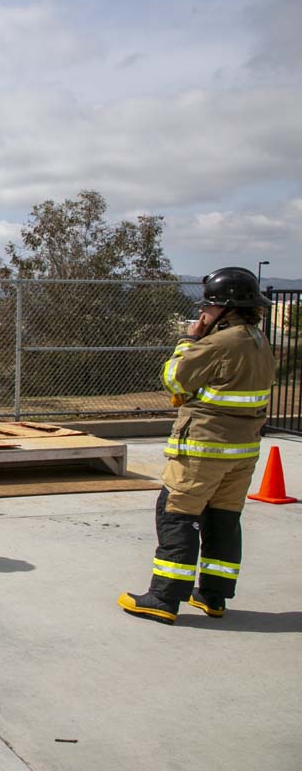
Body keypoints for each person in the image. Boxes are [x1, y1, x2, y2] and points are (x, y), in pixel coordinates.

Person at [118, 267, 275, 624]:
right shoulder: (258, 341)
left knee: (177, 515)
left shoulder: (220, 342)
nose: (203, 313)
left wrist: (190, 339)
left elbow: (174, 378)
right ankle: (213, 596)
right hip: (242, 451)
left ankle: (163, 598)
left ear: (225, 307)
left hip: (203, 449)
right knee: (223, 521)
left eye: (209, 307)